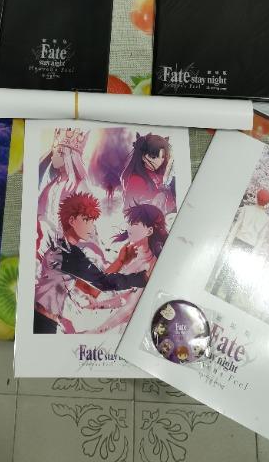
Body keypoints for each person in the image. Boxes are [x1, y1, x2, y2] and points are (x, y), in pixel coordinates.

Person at [33, 193, 148, 334]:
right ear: (71, 220)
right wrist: (143, 278)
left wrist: (120, 261)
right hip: (41, 321)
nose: (91, 227)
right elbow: (103, 283)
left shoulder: (62, 252)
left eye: (92, 221)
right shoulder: (66, 253)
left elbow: (93, 290)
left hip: (44, 321)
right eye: (86, 220)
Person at [86, 203, 168, 333]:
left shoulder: (150, 263)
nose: (129, 228)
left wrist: (99, 330)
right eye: (130, 223)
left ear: (149, 231)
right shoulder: (136, 256)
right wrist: (98, 305)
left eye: (135, 224)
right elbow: (126, 298)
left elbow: (130, 307)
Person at [210, 188, 269, 303]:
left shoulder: (246, 209)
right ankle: (228, 298)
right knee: (236, 273)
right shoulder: (266, 219)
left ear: (256, 197)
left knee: (225, 268)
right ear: (267, 202)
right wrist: (254, 254)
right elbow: (260, 239)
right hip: (250, 247)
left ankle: (214, 291)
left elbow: (236, 227)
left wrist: (229, 242)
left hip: (238, 240)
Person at [38, 128, 89, 232]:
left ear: (69, 157)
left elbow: (86, 221)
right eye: (54, 153)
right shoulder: (51, 185)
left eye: (58, 153)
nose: (52, 157)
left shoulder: (80, 186)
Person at [120, 133, 175, 216]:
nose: (159, 161)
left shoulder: (161, 175)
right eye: (154, 157)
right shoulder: (136, 180)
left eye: (162, 157)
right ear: (143, 156)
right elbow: (129, 210)